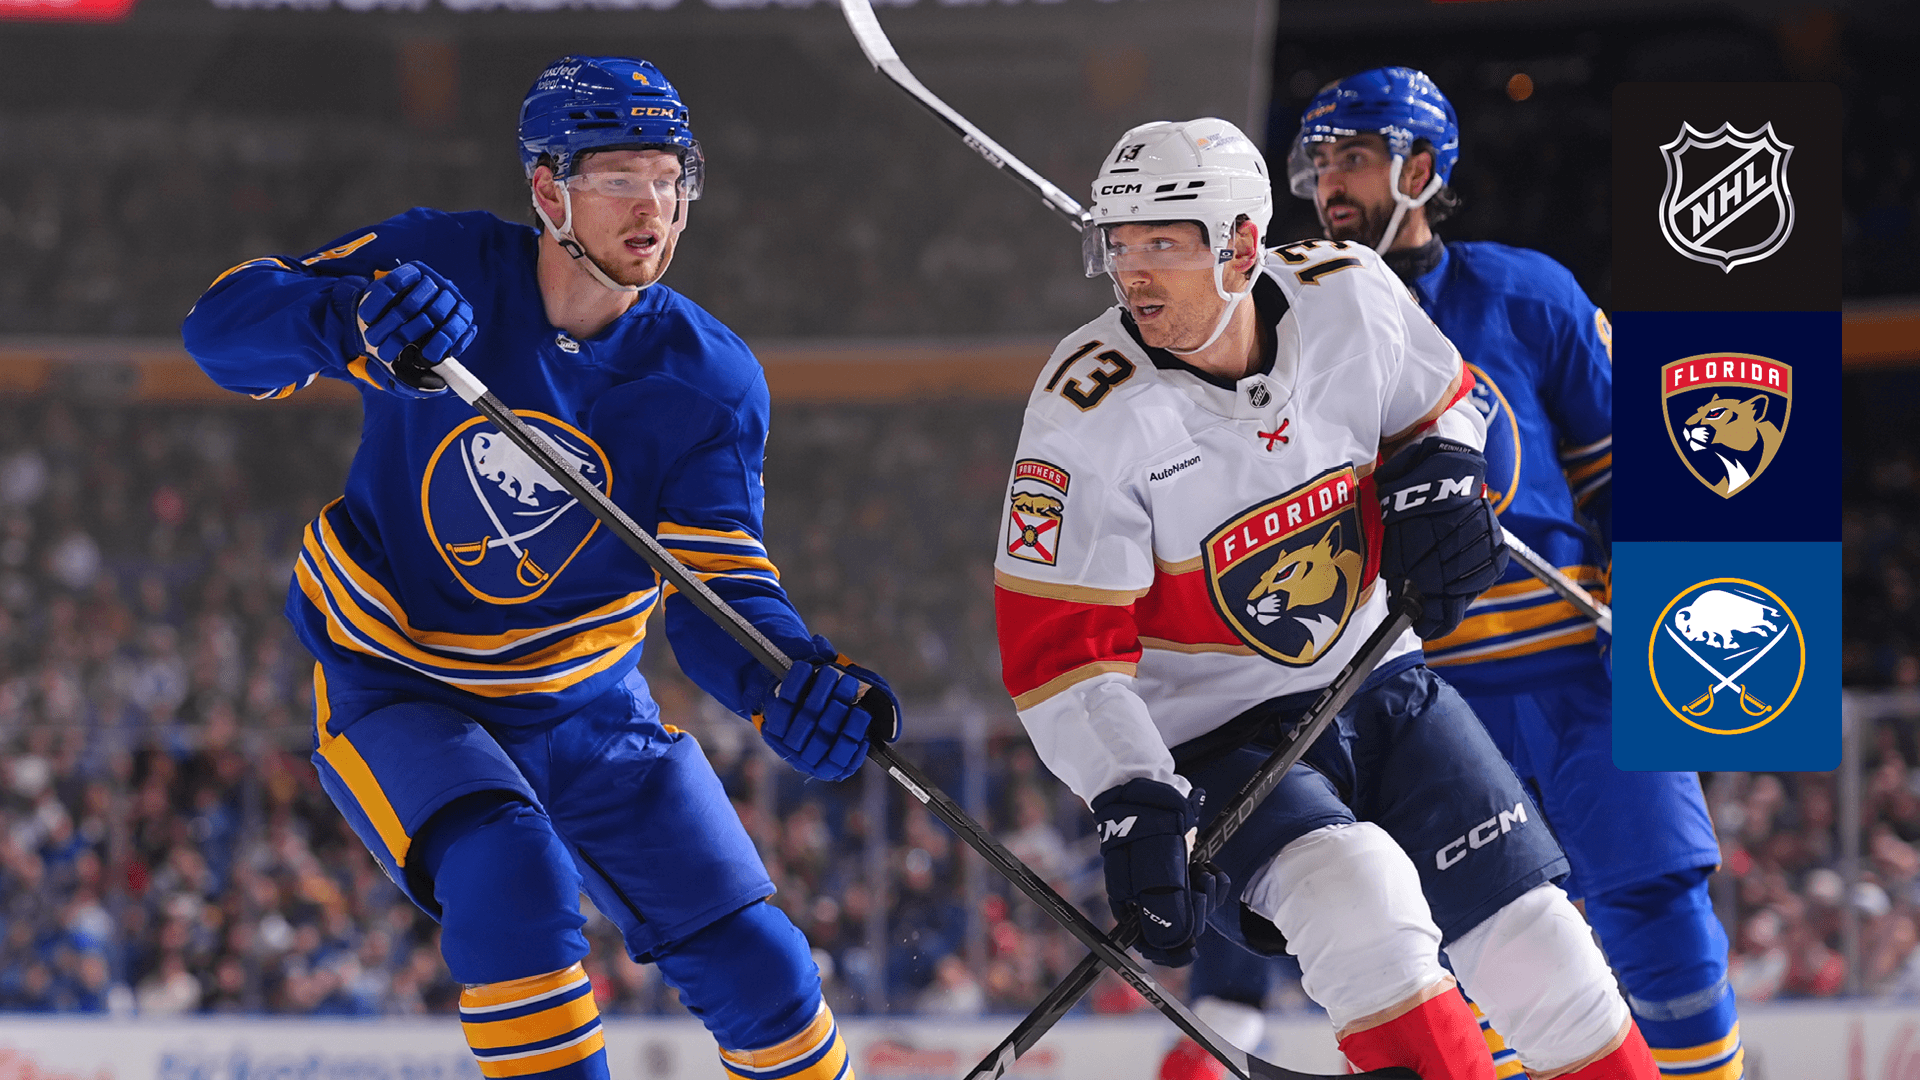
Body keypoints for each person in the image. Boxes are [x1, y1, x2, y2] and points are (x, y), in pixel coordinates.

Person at [181, 55, 893, 1080]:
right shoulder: (440, 263)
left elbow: (720, 590)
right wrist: (351, 322)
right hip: (402, 686)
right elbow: (219, 331)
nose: (654, 208)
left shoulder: (711, 379)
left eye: (671, 179)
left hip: (588, 707)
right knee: (509, 875)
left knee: (763, 968)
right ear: (548, 190)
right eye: (621, 179)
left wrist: (790, 682)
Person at [994, 116, 1657, 1080]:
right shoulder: (1083, 413)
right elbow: (1060, 654)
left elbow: (1442, 404)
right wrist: (1130, 790)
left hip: (1380, 684)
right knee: (1360, 899)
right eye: (1119, 246)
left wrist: (1442, 475)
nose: (1132, 275)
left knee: (1542, 947)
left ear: (1242, 246)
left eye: (1162, 245)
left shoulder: (1350, 292)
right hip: (1217, 742)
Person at [1163, 68, 1735, 1080]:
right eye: (1318, 163)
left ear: (1420, 169)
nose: (1329, 185)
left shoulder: (1528, 293)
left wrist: (1666, 616)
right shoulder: (1280, 323)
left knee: (1661, 909)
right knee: (1487, 949)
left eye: (1354, 158)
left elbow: (1633, 480)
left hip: (1579, 669)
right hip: (1425, 693)